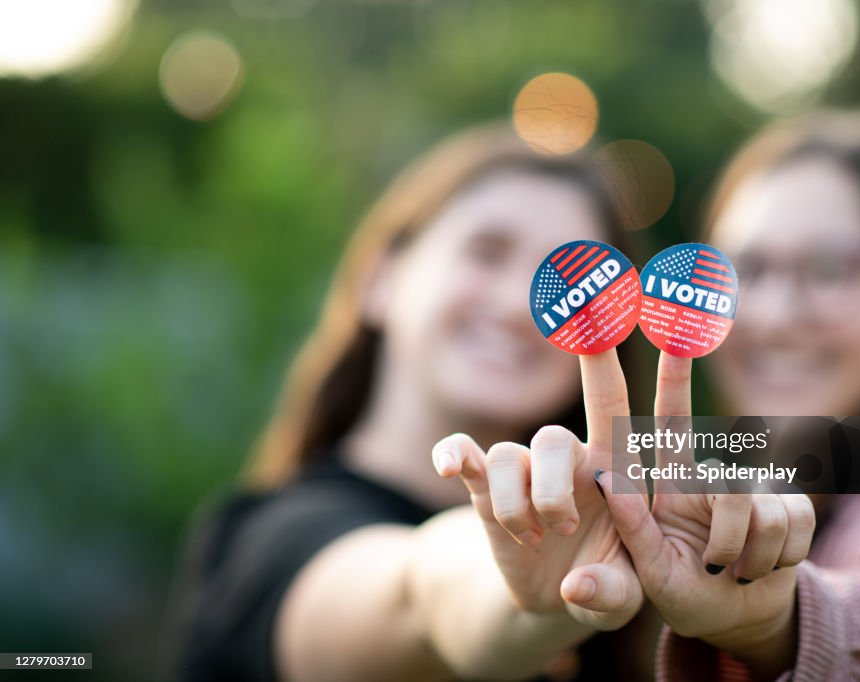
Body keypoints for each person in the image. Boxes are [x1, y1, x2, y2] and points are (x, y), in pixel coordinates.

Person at [454, 108, 860, 681]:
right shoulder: (734, 487)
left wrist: (782, 625)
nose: (773, 316)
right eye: (743, 269)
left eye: (829, 269)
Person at [166, 123, 669, 682]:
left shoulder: (620, 564)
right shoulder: (270, 542)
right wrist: (522, 600)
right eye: (486, 252)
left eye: (571, 277)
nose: (515, 304)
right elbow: (422, 594)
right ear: (381, 277)